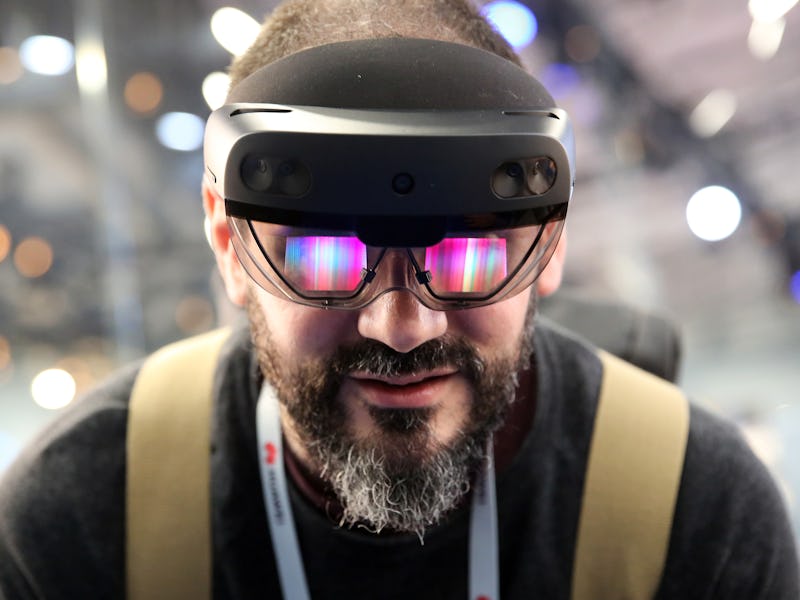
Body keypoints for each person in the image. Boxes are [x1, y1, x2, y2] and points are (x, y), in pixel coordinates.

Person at [1, 0, 798, 598]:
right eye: (324, 256)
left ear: (551, 246)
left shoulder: (693, 509)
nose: (403, 326)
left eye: (465, 254)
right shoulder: (86, 515)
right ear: (227, 243)